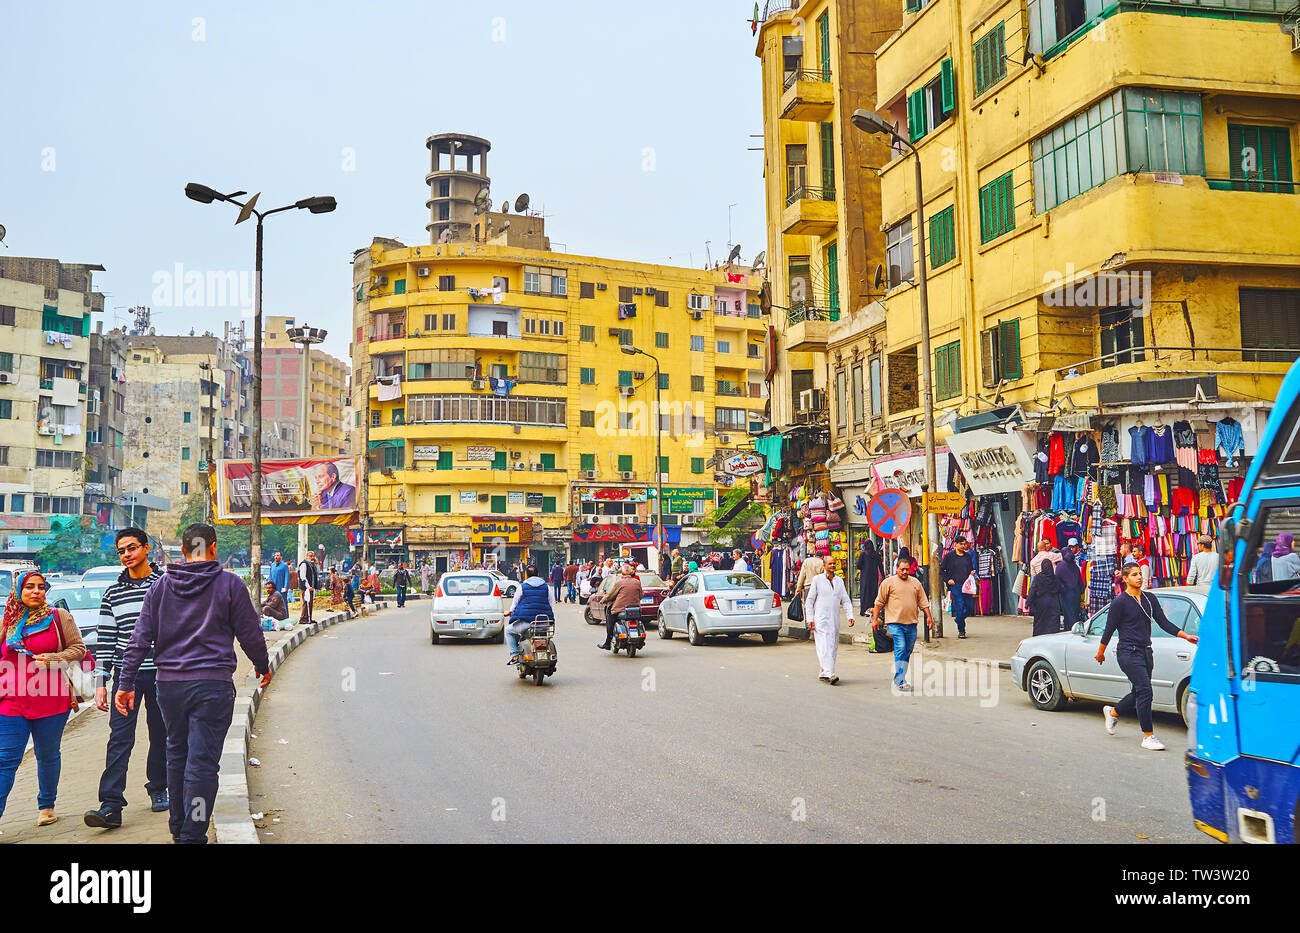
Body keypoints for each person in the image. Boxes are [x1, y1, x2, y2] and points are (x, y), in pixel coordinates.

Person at [115, 523, 272, 844]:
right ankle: (194, 833)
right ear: (212, 549)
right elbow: (250, 633)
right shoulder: (229, 584)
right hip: (212, 686)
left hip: (169, 687)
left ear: (184, 552)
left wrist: (125, 682)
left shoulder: (160, 588)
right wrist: (261, 665)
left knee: (177, 756)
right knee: (202, 764)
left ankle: (179, 828)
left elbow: (139, 638)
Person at [82, 528, 168, 831]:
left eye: (132, 548)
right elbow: (105, 640)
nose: (127, 555)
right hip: (125, 677)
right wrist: (101, 683)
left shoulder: (166, 585)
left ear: (147, 549)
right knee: (119, 738)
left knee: (161, 734)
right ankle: (111, 805)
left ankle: (159, 788)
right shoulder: (112, 594)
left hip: (162, 674)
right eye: (122, 551)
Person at [0, 569, 86, 828]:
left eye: (40, 586)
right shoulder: (7, 622)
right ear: (19, 590)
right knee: (5, 759)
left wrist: (54, 658)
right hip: (11, 699)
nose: (36, 591)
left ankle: (46, 805)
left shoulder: (59, 617)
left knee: (47, 754)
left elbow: (79, 649)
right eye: (29, 587)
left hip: (50, 697)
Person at [1096, 563, 1198, 750]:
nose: (1139, 577)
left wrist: (1186, 636)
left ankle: (1113, 712)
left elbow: (1164, 623)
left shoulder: (1150, 599)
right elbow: (1109, 629)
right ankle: (1148, 736)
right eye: (1134, 575)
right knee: (1145, 691)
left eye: (1140, 574)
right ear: (1125, 579)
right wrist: (1100, 652)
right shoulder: (1120, 602)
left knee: (1139, 691)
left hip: (1145, 651)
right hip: (1127, 652)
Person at [872, 558, 933, 692]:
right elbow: (879, 602)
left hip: (911, 623)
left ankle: (900, 676)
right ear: (897, 569)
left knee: (907, 650)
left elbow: (923, 601)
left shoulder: (916, 583)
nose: (905, 572)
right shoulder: (888, 583)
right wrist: (875, 619)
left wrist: (929, 617)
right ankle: (900, 680)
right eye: (902, 569)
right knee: (901, 647)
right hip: (894, 623)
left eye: (907, 569)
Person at [804, 560, 854, 684]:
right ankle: (830, 673)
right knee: (824, 645)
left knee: (832, 646)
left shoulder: (839, 581)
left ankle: (824, 672)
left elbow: (846, 600)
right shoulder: (817, 580)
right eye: (830, 564)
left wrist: (850, 616)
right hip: (820, 619)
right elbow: (809, 601)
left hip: (834, 619)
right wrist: (809, 618)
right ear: (824, 566)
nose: (832, 566)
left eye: (834, 563)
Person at [505, 566, 552, 665]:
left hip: (527, 623)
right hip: (544, 623)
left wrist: (510, 611)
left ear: (526, 575)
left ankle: (515, 655)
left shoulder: (522, 587)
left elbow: (514, 604)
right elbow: (550, 604)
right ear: (538, 575)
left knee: (508, 631)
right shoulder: (546, 587)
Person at [597, 564, 644, 651]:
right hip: (635, 609)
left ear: (622, 573)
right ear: (631, 572)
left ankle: (607, 643)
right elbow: (641, 595)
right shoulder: (637, 582)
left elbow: (610, 595)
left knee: (610, 620)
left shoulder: (619, 583)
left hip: (620, 610)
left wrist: (603, 600)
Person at [940, 536, 975, 640]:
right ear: (956, 544)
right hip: (955, 586)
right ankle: (961, 630)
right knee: (959, 606)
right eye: (962, 544)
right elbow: (942, 570)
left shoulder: (967, 556)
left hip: (966, 586)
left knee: (969, 607)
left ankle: (959, 619)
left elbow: (970, 568)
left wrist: (972, 573)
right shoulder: (949, 556)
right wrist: (948, 580)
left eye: (965, 544)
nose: (964, 546)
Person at [1027, 555, 1063, 636]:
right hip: (1054, 603)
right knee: (1053, 624)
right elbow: (1059, 589)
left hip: (1041, 604)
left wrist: (1028, 602)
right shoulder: (1055, 578)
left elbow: (1032, 590)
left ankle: (1039, 638)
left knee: (1040, 623)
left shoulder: (1038, 578)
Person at [1055, 539, 1084, 633]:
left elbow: (1057, 580)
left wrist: (1060, 590)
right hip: (1076, 593)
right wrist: (1081, 591)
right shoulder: (1074, 566)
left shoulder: (1060, 566)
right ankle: (1075, 629)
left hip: (1066, 594)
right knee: (1075, 613)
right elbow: (1080, 580)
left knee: (1068, 614)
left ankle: (1070, 631)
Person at [856, 540, 883, 618]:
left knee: (865, 592)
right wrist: (883, 577)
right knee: (873, 592)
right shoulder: (876, 554)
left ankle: (864, 610)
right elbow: (880, 566)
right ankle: (872, 609)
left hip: (865, 576)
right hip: (874, 576)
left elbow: (858, 565)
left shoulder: (863, 554)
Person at [298, 551, 319, 624]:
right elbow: (303, 577)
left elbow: (317, 573)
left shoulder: (312, 565)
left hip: (311, 587)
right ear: (307, 556)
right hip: (306, 587)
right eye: (310, 556)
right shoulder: (304, 564)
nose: (312, 557)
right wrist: (308, 586)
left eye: (313, 556)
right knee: (305, 602)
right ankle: (303, 618)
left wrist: (316, 564)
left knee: (310, 603)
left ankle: (309, 618)